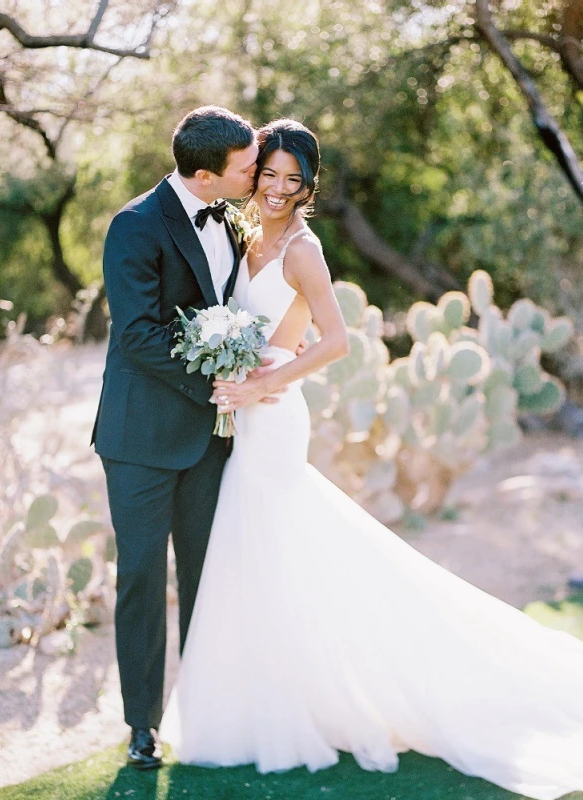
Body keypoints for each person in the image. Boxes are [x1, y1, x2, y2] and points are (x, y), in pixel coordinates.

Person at [159, 118, 583, 800]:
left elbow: (336, 343)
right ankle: (265, 703)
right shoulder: (240, 233)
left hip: (274, 412)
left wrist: (264, 381)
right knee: (257, 553)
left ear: (306, 188)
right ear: (255, 173)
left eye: (291, 181)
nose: (276, 189)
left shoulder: (302, 248)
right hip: (242, 409)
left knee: (269, 546)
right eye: (268, 175)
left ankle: (290, 712)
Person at [92, 106, 269, 769]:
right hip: (139, 439)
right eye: (249, 166)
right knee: (141, 579)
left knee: (207, 576)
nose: (257, 173)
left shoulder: (227, 217)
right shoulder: (134, 226)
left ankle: (209, 709)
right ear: (205, 174)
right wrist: (215, 385)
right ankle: (142, 725)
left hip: (209, 441)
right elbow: (136, 336)